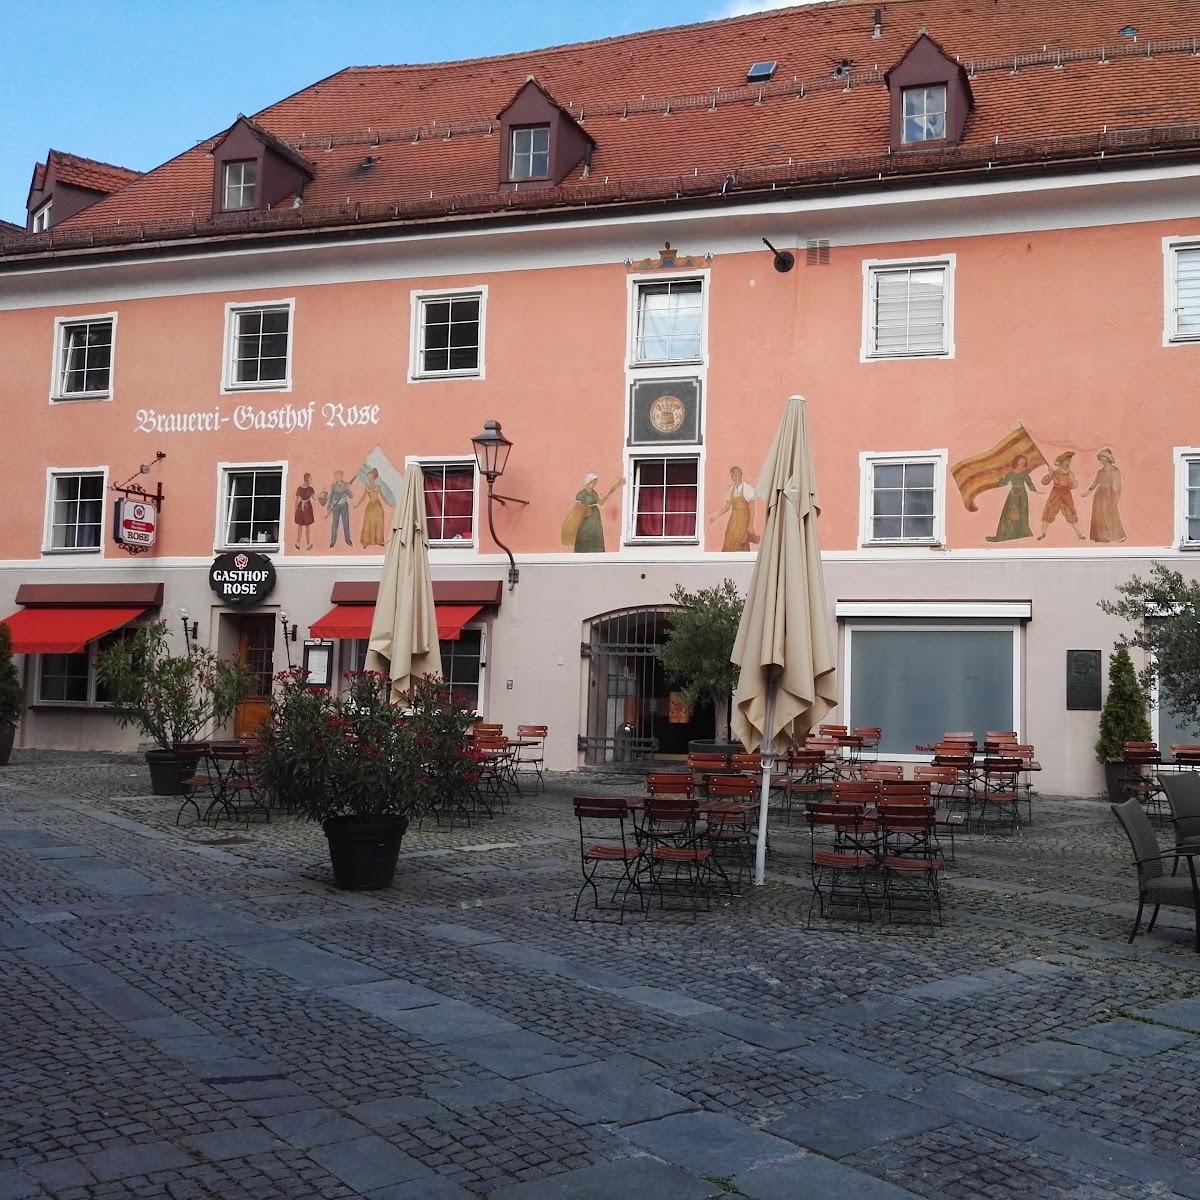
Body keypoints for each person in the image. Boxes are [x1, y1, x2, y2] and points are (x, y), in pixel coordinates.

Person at [561, 472, 624, 553]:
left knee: (596, 534)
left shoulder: (594, 493)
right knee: (584, 533)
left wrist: (611, 491)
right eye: (593, 482)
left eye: (595, 482)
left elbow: (601, 503)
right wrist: (585, 511)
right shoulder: (581, 494)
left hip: (595, 517)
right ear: (588, 482)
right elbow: (576, 508)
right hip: (585, 517)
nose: (594, 484)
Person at [985, 455, 1037, 542]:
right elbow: (1004, 483)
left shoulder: (1024, 475)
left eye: (1024, 463)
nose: (1022, 464)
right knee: (1009, 515)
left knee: (1023, 515)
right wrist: (999, 479)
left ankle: (1022, 533)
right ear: (1016, 463)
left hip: (1023, 497)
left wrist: (1033, 489)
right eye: (1020, 462)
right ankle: (1005, 535)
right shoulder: (1010, 474)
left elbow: (1030, 483)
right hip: (1013, 497)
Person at [1037, 451, 1086, 541]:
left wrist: (1073, 482)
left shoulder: (1070, 473)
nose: (1068, 464)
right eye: (1066, 461)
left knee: (1070, 512)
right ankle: (1043, 533)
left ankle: (1079, 534)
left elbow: (1075, 485)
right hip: (1055, 494)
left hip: (1066, 495)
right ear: (1061, 462)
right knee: (1049, 511)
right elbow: (1043, 482)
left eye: (1069, 462)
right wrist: (1050, 474)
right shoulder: (1055, 472)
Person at [709, 465, 758, 551]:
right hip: (733, 520)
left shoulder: (748, 489)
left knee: (741, 542)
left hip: (744, 520)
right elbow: (726, 507)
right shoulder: (731, 490)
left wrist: (750, 525)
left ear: (740, 475)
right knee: (729, 539)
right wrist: (716, 515)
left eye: (736, 475)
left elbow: (752, 508)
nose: (734, 478)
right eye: (732, 476)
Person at [1082, 449, 1126, 543]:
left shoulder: (1115, 471)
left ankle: (1118, 536)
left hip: (1109, 494)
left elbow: (1118, 486)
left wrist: (1115, 498)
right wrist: (1088, 492)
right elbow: (1095, 483)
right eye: (1100, 459)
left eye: (1103, 459)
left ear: (1107, 459)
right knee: (1100, 515)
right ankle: (1103, 536)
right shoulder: (1100, 471)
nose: (1101, 461)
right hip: (1099, 495)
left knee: (1111, 515)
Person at [355, 467, 386, 548]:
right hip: (370, 507)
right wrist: (357, 505)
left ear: (374, 478)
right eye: (368, 477)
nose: (369, 479)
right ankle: (366, 542)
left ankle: (379, 541)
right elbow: (363, 497)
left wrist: (389, 504)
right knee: (368, 522)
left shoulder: (378, 487)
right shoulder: (367, 487)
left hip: (378, 507)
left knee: (378, 523)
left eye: (370, 477)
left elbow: (383, 496)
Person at [325, 470, 354, 547]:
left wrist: (348, 489)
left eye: (337, 476)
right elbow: (331, 497)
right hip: (336, 507)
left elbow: (351, 496)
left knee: (346, 523)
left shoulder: (346, 484)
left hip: (344, 506)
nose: (336, 477)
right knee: (335, 524)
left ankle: (348, 540)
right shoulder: (333, 485)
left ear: (341, 476)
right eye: (335, 476)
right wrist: (328, 507)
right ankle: (333, 541)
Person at [293, 472, 315, 550]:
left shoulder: (309, 488)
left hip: (305, 507)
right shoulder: (306, 489)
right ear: (307, 479)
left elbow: (314, 498)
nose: (311, 480)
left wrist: (296, 511)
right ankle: (302, 544)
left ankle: (303, 544)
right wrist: (295, 511)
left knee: (304, 526)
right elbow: (297, 500)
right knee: (304, 526)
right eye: (310, 479)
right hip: (306, 507)